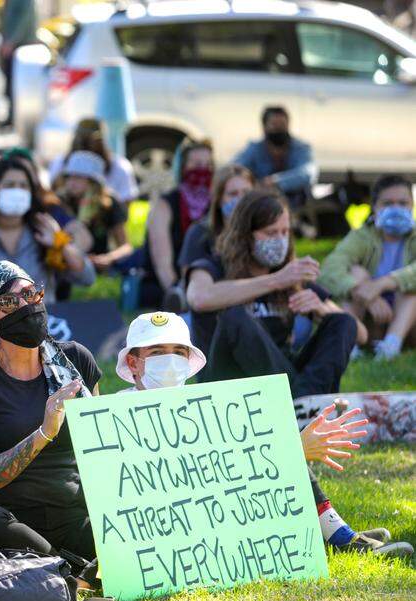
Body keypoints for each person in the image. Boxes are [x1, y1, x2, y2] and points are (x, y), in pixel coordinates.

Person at [115, 311, 412, 557]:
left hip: (221, 511)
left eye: (178, 352)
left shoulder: (203, 406)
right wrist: (292, 451)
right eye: (157, 352)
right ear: (133, 363)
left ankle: (336, 532)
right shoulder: (115, 413)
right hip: (177, 528)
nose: (170, 360)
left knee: (274, 444)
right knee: (284, 450)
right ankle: (339, 537)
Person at [0, 260, 98, 575]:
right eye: (8, 301)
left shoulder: (76, 360)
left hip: (71, 513)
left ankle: (59, 569)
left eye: (31, 294)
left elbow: (102, 449)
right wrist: (43, 433)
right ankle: (68, 569)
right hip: (11, 519)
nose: (25, 306)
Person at [186, 190, 363, 397]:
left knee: (342, 322)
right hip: (227, 384)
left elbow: (360, 333)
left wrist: (319, 307)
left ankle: (306, 401)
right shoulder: (211, 267)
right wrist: (276, 281)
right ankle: (301, 402)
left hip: (283, 378)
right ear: (245, 235)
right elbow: (200, 298)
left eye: (285, 232)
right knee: (235, 317)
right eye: (271, 233)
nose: (280, 240)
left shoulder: (290, 276)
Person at [0, 154, 95, 364]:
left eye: (23, 186)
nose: (17, 191)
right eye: (10, 185)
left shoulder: (42, 230)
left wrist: (60, 244)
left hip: (38, 337)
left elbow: (87, 277)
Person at [319, 175, 416, 360]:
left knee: (410, 288)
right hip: (370, 320)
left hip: (409, 322)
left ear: (412, 205)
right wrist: (361, 292)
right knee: (356, 273)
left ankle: (390, 348)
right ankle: (350, 345)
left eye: (403, 203)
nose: (396, 209)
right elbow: (331, 268)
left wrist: (387, 282)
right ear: (374, 207)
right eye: (388, 203)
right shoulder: (362, 236)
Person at [144, 138, 215, 310]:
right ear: (182, 167)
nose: (202, 169)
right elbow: (162, 264)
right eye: (196, 163)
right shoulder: (165, 205)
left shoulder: (216, 203)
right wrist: (178, 292)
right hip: (168, 286)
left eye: (207, 164)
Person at [56, 150, 131, 274]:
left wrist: (109, 258)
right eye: (68, 177)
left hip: (100, 267)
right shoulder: (59, 202)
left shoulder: (109, 203)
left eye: (78, 177)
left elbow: (126, 247)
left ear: (93, 182)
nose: (71, 182)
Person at [176, 164, 255, 279]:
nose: (241, 200)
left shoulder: (266, 229)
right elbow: (189, 284)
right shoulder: (199, 233)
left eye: (246, 193)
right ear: (218, 199)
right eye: (233, 194)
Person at [233, 106, 317, 208]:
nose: (279, 129)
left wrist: (276, 182)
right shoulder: (255, 149)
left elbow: (307, 173)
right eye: (274, 125)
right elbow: (234, 169)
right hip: (260, 205)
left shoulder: (301, 148)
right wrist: (252, 184)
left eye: (282, 125)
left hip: (295, 207)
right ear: (264, 127)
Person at [48, 118, 138, 204]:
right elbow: (53, 195)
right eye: (71, 177)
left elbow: (126, 202)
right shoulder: (60, 163)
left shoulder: (120, 166)